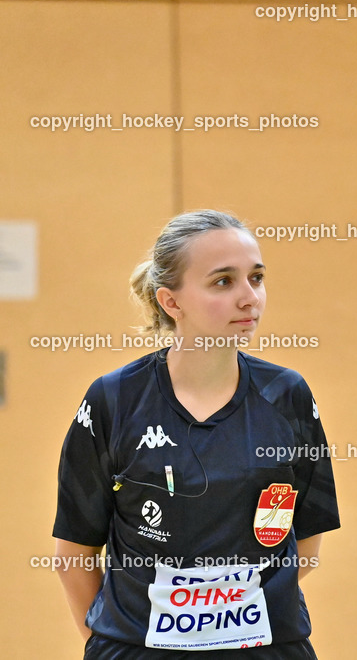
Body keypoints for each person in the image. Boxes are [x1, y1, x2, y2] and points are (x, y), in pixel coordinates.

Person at [53, 210, 341, 658]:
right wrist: (111, 642)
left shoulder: (288, 396)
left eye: (257, 277)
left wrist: (220, 617)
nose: (250, 298)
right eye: (223, 282)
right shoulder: (114, 400)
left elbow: (303, 541)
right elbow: (74, 552)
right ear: (171, 302)